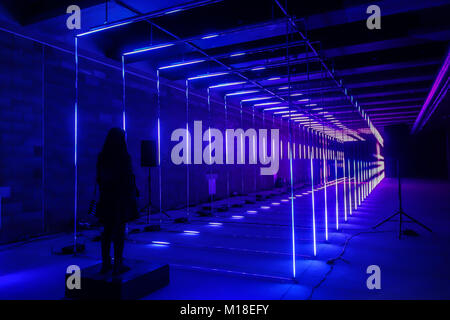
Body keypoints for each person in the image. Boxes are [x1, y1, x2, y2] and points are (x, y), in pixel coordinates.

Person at [96, 128, 139, 275]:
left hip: (105, 198)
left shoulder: (102, 156)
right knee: (119, 232)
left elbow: (99, 179)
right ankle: (118, 264)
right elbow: (127, 179)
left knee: (106, 232)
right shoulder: (124, 157)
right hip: (120, 200)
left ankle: (106, 263)